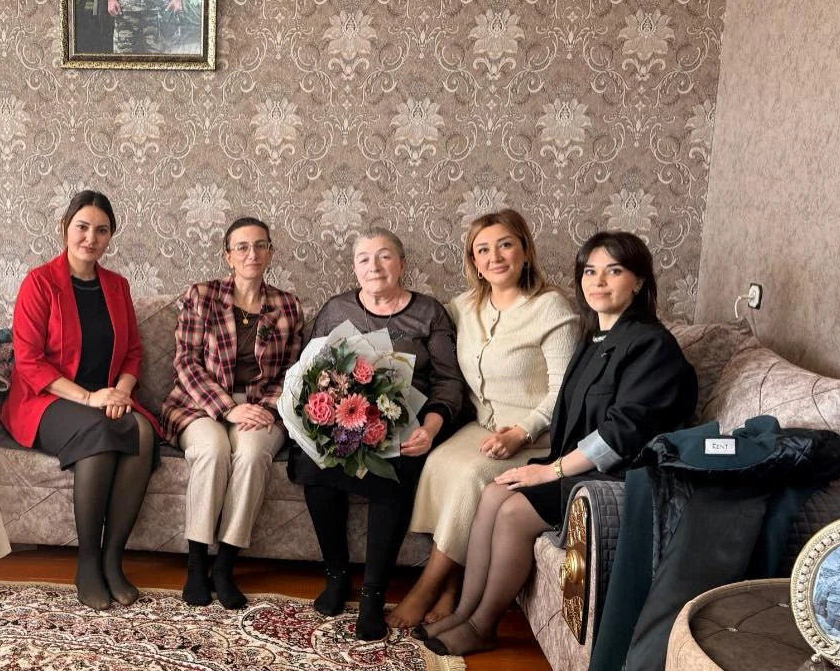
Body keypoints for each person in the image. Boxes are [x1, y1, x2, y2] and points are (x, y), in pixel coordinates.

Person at [420, 230, 697, 656]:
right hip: (580, 467)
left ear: (638, 281)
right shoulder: (595, 338)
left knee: (514, 511)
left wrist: (550, 470)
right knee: (494, 492)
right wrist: (549, 466)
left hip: (619, 478)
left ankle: (482, 624)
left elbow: (622, 434)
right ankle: (463, 611)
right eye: (590, 271)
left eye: (614, 271)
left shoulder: (651, 345)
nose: (598, 282)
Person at [389, 209, 579, 628]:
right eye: (483, 250)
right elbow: (423, 331)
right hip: (482, 426)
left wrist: (522, 432)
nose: (495, 257)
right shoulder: (463, 307)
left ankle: (427, 586)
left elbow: (564, 392)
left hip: (537, 436)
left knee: (472, 475)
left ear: (525, 251)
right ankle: (452, 581)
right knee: (437, 462)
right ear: (474, 262)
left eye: (505, 245)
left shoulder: (551, 308)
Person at [289, 228, 465, 640]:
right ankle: (336, 577)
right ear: (354, 268)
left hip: (406, 425)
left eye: (384, 256)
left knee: (395, 474)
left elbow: (449, 381)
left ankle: (372, 595)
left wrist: (431, 427)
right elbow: (310, 371)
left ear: (402, 264)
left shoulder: (429, 313)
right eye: (364, 258)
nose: (374, 266)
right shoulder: (336, 309)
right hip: (343, 423)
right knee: (312, 465)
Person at [0, 190, 157, 611]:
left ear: (110, 237)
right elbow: (29, 362)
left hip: (106, 397)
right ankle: (87, 563)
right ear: (64, 228)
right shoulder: (39, 283)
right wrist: (89, 398)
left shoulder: (117, 286)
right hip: (47, 398)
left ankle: (112, 560)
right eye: (82, 227)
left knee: (142, 432)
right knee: (99, 432)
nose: (91, 238)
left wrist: (121, 391)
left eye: (101, 230)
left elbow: (133, 353)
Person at [159, 217, 304, 610]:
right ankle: (195, 565)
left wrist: (262, 408)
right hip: (200, 402)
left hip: (261, 406)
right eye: (242, 247)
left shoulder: (287, 306)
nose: (251, 254)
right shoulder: (201, 296)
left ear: (270, 252)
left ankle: (224, 565)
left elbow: (292, 373)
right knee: (212, 450)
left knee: (253, 454)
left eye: (260, 245)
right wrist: (229, 408)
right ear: (228, 255)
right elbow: (186, 363)